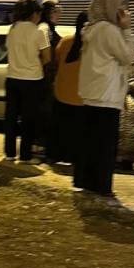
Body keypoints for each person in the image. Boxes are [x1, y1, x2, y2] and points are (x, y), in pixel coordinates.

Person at [76, 0, 134, 197]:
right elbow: (127, 56)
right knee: (105, 145)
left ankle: (86, 181)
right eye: (121, 4)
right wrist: (127, 30)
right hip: (107, 94)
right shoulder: (109, 30)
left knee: (90, 142)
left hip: (91, 93)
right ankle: (102, 186)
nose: (124, 10)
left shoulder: (91, 28)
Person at [4, 0, 50, 162]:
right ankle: (25, 155)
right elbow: (47, 57)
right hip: (32, 79)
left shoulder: (12, 29)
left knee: (11, 117)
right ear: (34, 14)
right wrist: (33, 64)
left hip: (12, 77)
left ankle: (9, 153)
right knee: (28, 119)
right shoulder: (39, 32)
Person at [46, 11, 88, 165]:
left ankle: (55, 155)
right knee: (77, 131)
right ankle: (72, 157)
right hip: (81, 96)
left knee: (59, 127)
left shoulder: (65, 42)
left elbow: (56, 61)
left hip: (61, 92)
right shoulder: (92, 46)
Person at [36, 1, 62, 155]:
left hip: (50, 76)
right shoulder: (44, 29)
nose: (59, 15)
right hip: (45, 77)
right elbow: (45, 56)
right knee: (45, 112)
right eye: (55, 11)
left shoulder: (50, 29)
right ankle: (40, 146)